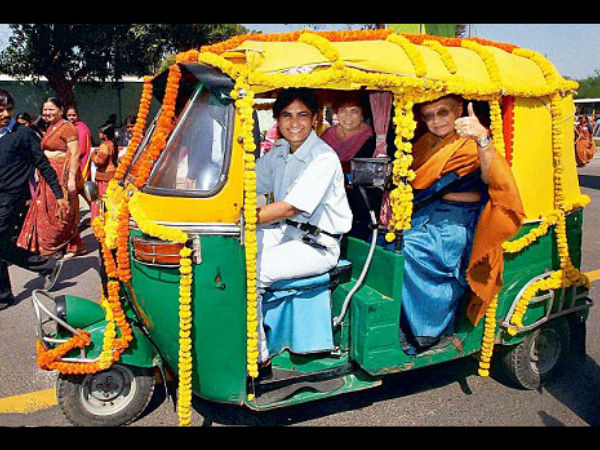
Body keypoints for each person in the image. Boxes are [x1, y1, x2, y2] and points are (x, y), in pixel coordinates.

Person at [399, 95, 524, 353]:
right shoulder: (425, 142)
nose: (436, 121)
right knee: (384, 241)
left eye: (442, 112)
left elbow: (490, 177)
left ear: (458, 111)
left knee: (409, 247)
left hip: (459, 220)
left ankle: (430, 329)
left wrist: (482, 139)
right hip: (426, 213)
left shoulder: (472, 141)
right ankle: (405, 319)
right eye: (429, 116)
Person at [254, 88, 352, 368]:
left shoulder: (323, 158)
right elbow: (251, 183)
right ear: (277, 120)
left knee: (253, 271)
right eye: (287, 115)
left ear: (314, 119)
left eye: (302, 115)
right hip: (287, 232)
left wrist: (240, 217)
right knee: (234, 251)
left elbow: (290, 207)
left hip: (317, 245)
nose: (294, 123)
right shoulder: (280, 151)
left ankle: (256, 355)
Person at [0, 89, 68, 309]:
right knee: (3, 247)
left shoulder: (23, 134)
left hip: (12, 199)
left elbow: (43, 164)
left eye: (8, 109)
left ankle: (3, 296)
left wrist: (59, 194)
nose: (5, 114)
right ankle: (47, 266)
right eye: (0, 110)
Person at [17, 97, 86, 260]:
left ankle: (56, 245)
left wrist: (71, 178)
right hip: (48, 174)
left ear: (60, 110)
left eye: (51, 109)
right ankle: (61, 245)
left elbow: (75, 153)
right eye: (45, 110)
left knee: (59, 211)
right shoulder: (51, 127)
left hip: (61, 174)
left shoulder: (67, 127)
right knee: (45, 209)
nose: (47, 113)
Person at [320, 91, 394, 241]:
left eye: (354, 111)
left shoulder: (372, 137)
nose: (348, 116)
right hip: (330, 193)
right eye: (343, 111)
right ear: (336, 113)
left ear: (362, 115)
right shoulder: (328, 134)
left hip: (360, 198)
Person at [90, 122, 118, 222]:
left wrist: (93, 155)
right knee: (110, 200)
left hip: (104, 177)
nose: (99, 134)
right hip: (112, 174)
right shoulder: (113, 144)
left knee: (100, 200)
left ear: (105, 134)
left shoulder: (104, 145)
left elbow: (99, 161)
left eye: (100, 132)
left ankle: (100, 221)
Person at [66, 105, 93, 185]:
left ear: (77, 116)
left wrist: (71, 157)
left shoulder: (80, 128)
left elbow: (82, 149)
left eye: (73, 115)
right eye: (69, 115)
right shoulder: (71, 127)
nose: (71, 118)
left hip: (80, 162)